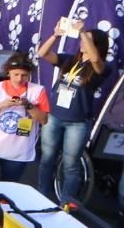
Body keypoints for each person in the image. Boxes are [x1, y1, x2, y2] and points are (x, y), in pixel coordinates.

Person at [37, 23, 111, 205]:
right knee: (47, 159)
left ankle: (66, 204)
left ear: (98, 45)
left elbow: (94, 58)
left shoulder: (102, 67)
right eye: (82, 38)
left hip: (77, 123)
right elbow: (42, 54)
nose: (82, 41)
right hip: (54, 116)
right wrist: (55, 36)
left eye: (88, 40)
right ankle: (41, 197)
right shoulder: (70, 60)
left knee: (71, 164)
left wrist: (83, 32)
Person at [0, 54, 50, 184]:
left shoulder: (37, 91)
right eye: (16, 74)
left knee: (8, 190)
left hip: (18, 153)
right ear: (8, 72)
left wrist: (29, 105)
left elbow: (43, 119)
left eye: (24, 75)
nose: (20, 79)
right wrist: (1, 105)